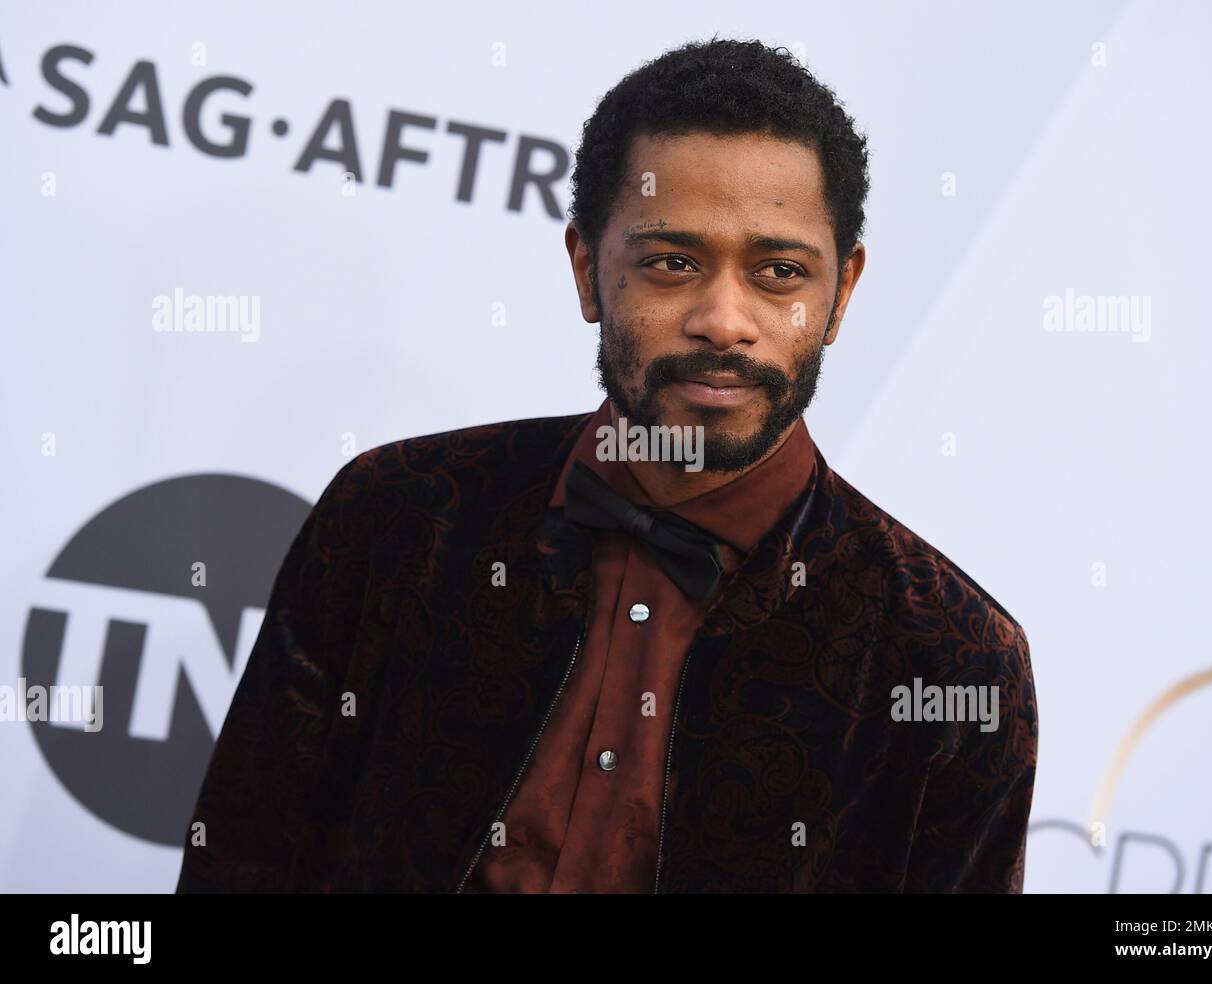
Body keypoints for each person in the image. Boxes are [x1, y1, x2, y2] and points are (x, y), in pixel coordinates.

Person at [176, 36, 1037, 894]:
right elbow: (242, 858)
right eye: (672, 263)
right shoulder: (396, 515)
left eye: (779, 272)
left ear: (841, 294)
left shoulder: (950, 657)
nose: (724, 321)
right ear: (588, 268)